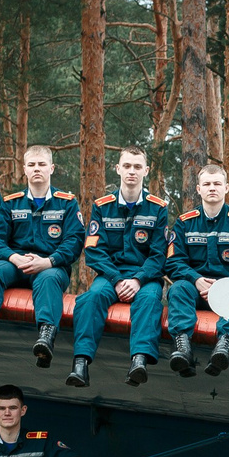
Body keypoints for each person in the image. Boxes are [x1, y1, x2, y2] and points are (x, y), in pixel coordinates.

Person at [0, 143, 83, 367]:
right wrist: (13, 257)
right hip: (15, 263)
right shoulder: (10, 203)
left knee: (47, 280)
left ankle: (45, 340)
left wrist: (48, 261)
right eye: (32, 164)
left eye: (42, 164)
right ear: (24, 169)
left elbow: (74, 242)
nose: (37, 169)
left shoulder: (67, 203)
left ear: (52, 168)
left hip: (51, 266)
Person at [68, 146, 172, 388]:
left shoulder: (158, 208)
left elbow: (159, 255)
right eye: (127, 166)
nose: (132, 172)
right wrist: (116, 279)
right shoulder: (102, 206)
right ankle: (81, 363)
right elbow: (94, 250)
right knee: (91, 298)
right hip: (110, 276)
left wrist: (137, 280)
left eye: (137, 167)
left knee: (148, 302)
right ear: (118, 169)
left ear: (146, 170)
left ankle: (139, 362)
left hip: (145, 277)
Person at [161, 162, 229, 378]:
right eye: (207, 184)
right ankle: (183, 346)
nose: (212, 188)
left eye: (217, 183)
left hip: (228, 289)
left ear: (226, 188)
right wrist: (195, 279)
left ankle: (224, 345)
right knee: (177, 289)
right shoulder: (185, 223)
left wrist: (223, 286)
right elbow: (173, 261)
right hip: (195, 288)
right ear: (198, 189)